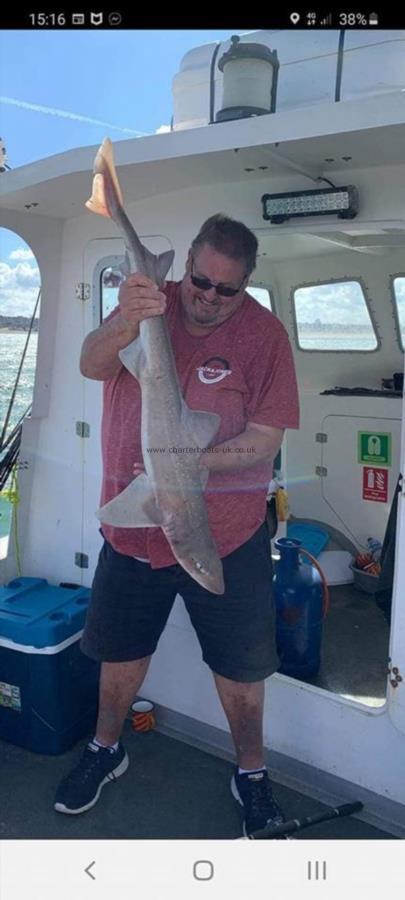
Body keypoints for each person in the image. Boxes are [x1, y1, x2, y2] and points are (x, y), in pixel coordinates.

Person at [54, 214, 299, 836]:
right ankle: (106, 749)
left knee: (243, 668)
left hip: (229, 531)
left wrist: (188, 461)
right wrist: (124, 320)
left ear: (247, 285)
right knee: (118, 653)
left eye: (227, 289)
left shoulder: (265, 337)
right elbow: (90, 364)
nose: (209, 296)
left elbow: (265, 439)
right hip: (135, 534)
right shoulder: (146, 301)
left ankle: (251, 772)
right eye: (199, 280)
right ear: (185, 264)